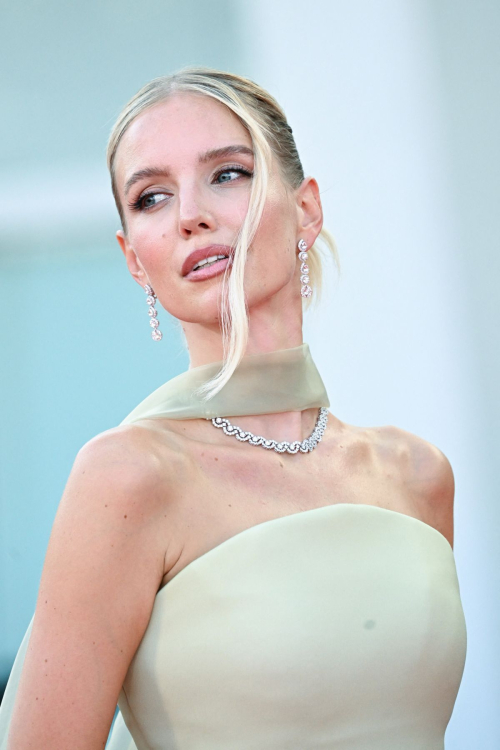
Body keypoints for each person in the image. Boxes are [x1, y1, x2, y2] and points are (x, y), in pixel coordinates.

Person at [0, 66, 466, 750]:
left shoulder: (417, 476)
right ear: (135, 260)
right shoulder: (128, 478)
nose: (190, 214)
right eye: (153, 196)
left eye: (228, 174)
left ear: (305, 209)